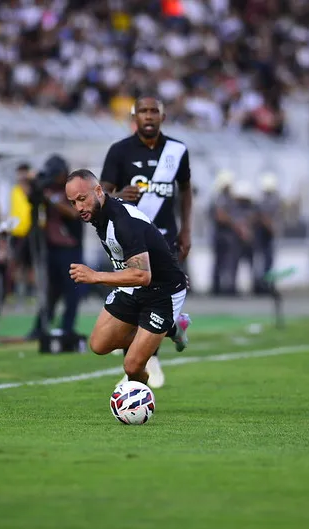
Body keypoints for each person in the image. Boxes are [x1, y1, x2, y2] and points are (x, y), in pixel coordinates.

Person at [100, 96, 193, 387]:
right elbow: (100, 195)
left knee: (157, 298)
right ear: (134, 117)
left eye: (154, 111)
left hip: (166, 242)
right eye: (144, 111)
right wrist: (117, 197)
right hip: (132, 243)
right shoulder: (119, 151)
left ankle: (148, 358)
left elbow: (186, 191)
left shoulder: (177, 151)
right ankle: (171, 330)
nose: (149, 116)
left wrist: (187, 229)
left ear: (163, 117)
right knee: (137, 300)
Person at [64, 169, 188, 384]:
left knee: (132, 366)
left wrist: (95, 276)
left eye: (82, 199)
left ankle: (137, 397)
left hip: (162, 292)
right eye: (73, 202)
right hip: (133, 286)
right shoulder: (101, 213)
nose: (79, 208)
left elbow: (142, 275)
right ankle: (171, 328)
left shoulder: (123, 222)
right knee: (99, 345)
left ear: (98, 191)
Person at [26, 155, 85, 342]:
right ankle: (41, 327)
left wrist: (50, 198)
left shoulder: (74, 188)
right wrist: (35, 187)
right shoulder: (48, 189)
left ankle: (67, 328)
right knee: (51, 290)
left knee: (72, 290)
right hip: (52, 247)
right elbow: (32, 200)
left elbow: (75, 213)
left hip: (70, 247)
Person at [8, 162, 35, 299]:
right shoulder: (15, 191)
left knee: (30, 265)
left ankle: (30, 293)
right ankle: (12, 292)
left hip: (31, 232)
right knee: (15, 264)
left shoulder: (34, 190)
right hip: (18, 233)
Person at [254, 173, 281, 294]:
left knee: (267, 261)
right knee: (263, 261)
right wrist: (271, 227)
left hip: (266, 236)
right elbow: (264, 217)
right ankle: (262, 285)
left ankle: (265, 284)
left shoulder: (267, 200)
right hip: (263, 235)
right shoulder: (265, 201)